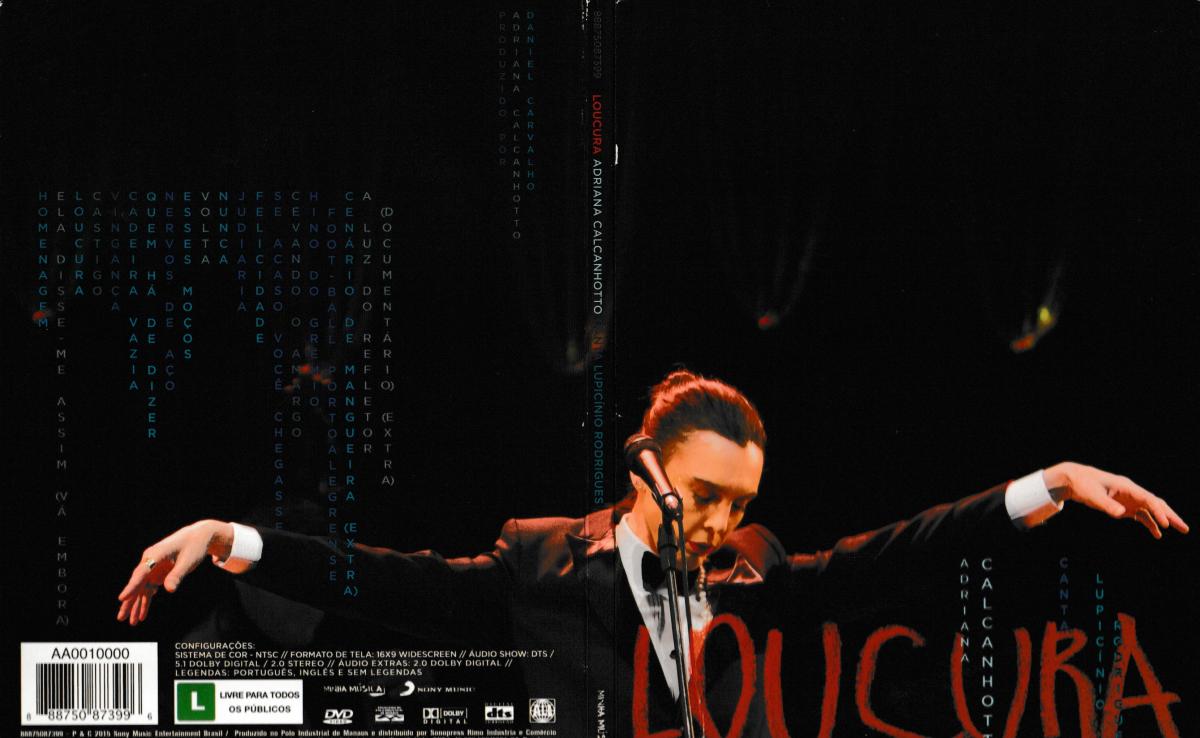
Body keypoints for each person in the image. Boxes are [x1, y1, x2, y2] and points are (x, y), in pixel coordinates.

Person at [117, 369, 1187, 736]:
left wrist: (1046, 485)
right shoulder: (540, 563)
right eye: (705, 495)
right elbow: (393, 584)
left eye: (740, 502)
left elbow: (895, 553)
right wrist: (233, 540)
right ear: (647, 472)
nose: (720, 521)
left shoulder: (755, 567)